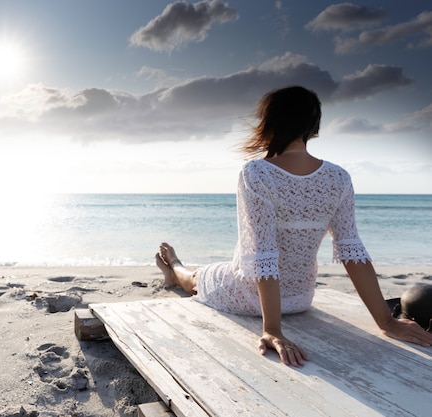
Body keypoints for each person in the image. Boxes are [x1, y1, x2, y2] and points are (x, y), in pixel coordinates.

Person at [156, 86, 432, 367]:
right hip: (301, 298)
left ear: (269, 122)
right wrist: (385, 321)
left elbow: (264, 255)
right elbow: (352, 252)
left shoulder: (257, 172)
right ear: (313, 128)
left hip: (250, 296)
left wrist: (272, 330)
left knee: (199, 278)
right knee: (217, 269)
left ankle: (175, 267)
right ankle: (176, 268)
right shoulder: (339, 177)